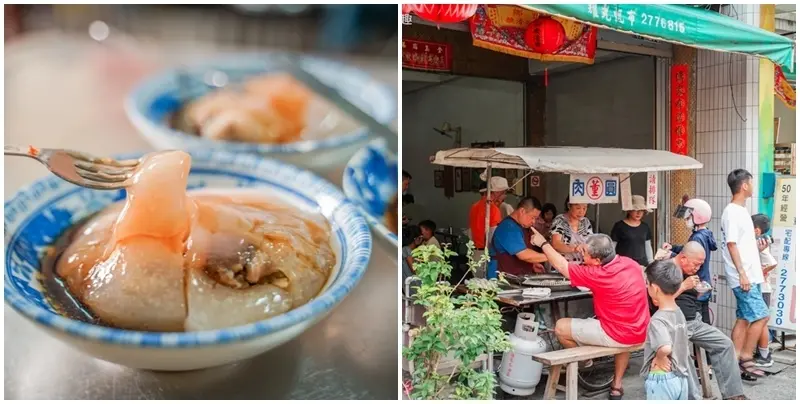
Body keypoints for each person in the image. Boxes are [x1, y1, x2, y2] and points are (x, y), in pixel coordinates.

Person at [531, 230, 649, 400]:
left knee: (561, 327)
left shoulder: (598, 274)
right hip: (639, 330)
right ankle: (616, 385)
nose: (581, 253)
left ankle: (585, 363)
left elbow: (563, 266)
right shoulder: (631, 264)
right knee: (624, 331)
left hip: (618, 334)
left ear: (597, 260)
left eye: (584, 253)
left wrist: (543, 243)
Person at [654, 242, 747, 400]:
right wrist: (683, 286)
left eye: (700, 265)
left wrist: (698, 290)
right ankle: (694, 398)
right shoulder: (664, 269)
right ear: (683, 258)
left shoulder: (686, 270)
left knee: (724, 344)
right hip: (673, 323)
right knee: (684, 357)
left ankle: (733, 395)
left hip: (693, 320)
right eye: (696, 264)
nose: (697, 268)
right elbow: (657, 301)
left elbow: (685, 298)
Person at [721, 169, 769, 381]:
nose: (753, 185)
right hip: (744, 277)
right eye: (751, 182)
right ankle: (746, 358)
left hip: (751, 275)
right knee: (761, 315)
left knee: (744, 318)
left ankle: (734, 361)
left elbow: (741, 245)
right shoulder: (732, 211)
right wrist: (742, 274)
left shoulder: (741, 211)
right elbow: (731, 244)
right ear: (744, 186)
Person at [662, 198, 717, 326]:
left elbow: (690, 257)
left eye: (688, 218)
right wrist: (673, 247)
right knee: (705, 324)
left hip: (696, 285)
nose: (685, 220)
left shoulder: (698, 237)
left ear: (697, 217)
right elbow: (688, 250)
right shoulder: (705, 233)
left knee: (696, 324)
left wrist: (671, 255)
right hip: (704, 282)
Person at [642, 259, 691, 400]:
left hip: (661, 378)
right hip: (681, 376)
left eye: (648, 283)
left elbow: (665, 347)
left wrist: (660, 357)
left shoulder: (657, 320)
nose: (647, 286)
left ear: (655, 288)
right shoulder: (679, 312)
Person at [488, 197, 547, 279]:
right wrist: (552, 257)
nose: (533, 222)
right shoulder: (508, 227)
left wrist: (531, 264)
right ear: (522, 211)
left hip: (516, 278)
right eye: (533, 217)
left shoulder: (521, 226)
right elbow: (524, 255)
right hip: (501, 280)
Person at [468, 176, 508, 277]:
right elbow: (493, 237)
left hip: (475, 253)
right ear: (498, 192)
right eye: (504, 193)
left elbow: (470, 232)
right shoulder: (493, 209)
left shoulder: (474, 206)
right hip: (487, 255)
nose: (505, 196)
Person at [752, 213, 778, 367]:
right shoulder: (757, 242)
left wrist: (761, 272)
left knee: (760, 322)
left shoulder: (760, 244)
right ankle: (761, 352)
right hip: (761, 288)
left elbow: (773, 263)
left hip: (762, 289)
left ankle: (765, 355)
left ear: (757, 230)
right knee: (759, 321)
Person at [610, 195, 654, 266]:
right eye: (636, 210)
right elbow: (613, 246)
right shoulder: (619, 226)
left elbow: (648, 246)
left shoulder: (645, 227)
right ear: (629, 210)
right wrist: (612, 263)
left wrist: (651, 263)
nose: (639, 213)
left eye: (642, 210)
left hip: (641, 265)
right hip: (623, 265)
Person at [550, 198, 593, 263]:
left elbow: (591, 242)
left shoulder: (585, 222)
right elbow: (556, 244)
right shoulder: (560, 220)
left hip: (582, 265)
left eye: (584, 208)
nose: (581, 212)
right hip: (563, 265)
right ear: (569, 205)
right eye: (578, 208)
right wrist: (574, 249)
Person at [402, 225, 423, 290]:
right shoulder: (406, 250)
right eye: (420, 237)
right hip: (411, 283)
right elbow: (414, 270)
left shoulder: (414, 250)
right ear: (416, 238)